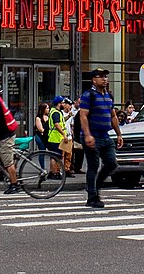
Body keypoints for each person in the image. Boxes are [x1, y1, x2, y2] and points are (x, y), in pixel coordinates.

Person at [78, 68, 123, 209]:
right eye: (101, 77)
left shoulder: (109, 96)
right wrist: (87, 135)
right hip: (93, 135)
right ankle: (92, 197)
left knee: (112, 163)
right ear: (94, 80)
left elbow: (113, 116)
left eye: (105, 77)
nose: (104, 79)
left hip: (105, 135)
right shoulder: (88, 95)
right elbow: (83, 116)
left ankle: (94, 186)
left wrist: (119, 134)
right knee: (93, 165)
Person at [44, 95, 69, 178]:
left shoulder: (55, 111)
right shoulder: (55, 113)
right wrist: (64, 134)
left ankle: (52, 172)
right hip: (56, 138)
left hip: (54, 137)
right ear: (59, 104)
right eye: (63, 103)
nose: (64, 105)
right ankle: (55, 173)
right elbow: (57, 125)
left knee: (54, 156)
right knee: (56, 157)